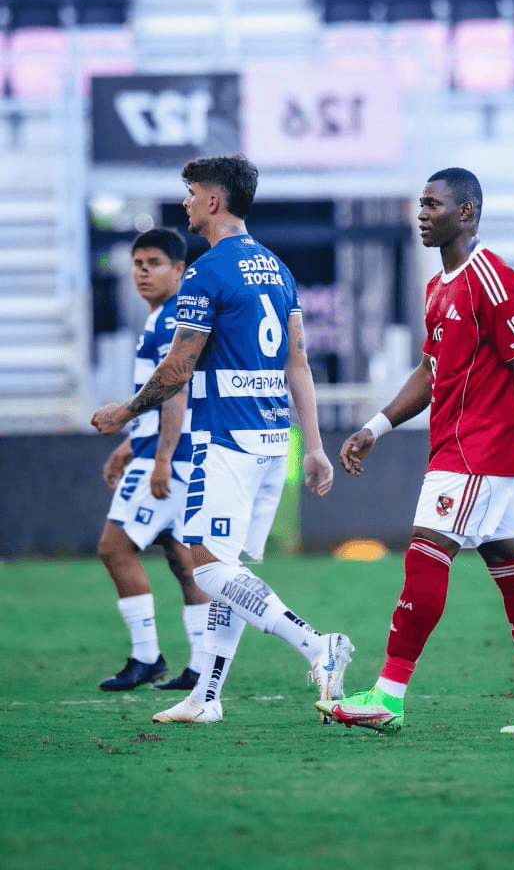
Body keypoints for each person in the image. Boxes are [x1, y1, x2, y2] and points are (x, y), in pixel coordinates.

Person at [316, 167, 514, 736]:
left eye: (432, 205)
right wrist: (377, 426)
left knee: (423, 556)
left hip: (477, 453)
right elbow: (431, 371)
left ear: (465, 213)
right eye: (419, 204)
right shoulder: (438, 287)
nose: (421, 214)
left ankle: (387, 694)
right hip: (461, 451)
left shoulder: (493, 280)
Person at [92, 154, 352, 725]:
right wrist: (312, 445)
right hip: (270, 440)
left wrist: (126, 411)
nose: (184, 202)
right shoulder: (277, 268)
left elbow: (178, 368)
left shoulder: (206, 273)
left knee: (208, 571)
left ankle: (317, 646)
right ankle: (205, 698)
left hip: (224, 441)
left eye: (190, 192)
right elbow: (299, 362)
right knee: (227, 574)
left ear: (213, 201)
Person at [98, 228, 210, 692]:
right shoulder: (162, 318)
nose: (143, 271)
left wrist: (160, 457)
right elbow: (157, 400)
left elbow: (175, 393)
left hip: (166, 459)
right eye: (138, 263)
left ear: (179, 270)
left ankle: (147, 656)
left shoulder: (169, 321)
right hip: (160, 453)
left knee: (114, 548)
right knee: (181, 558)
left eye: (154, 263)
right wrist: (128, 446)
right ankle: (203, 664)